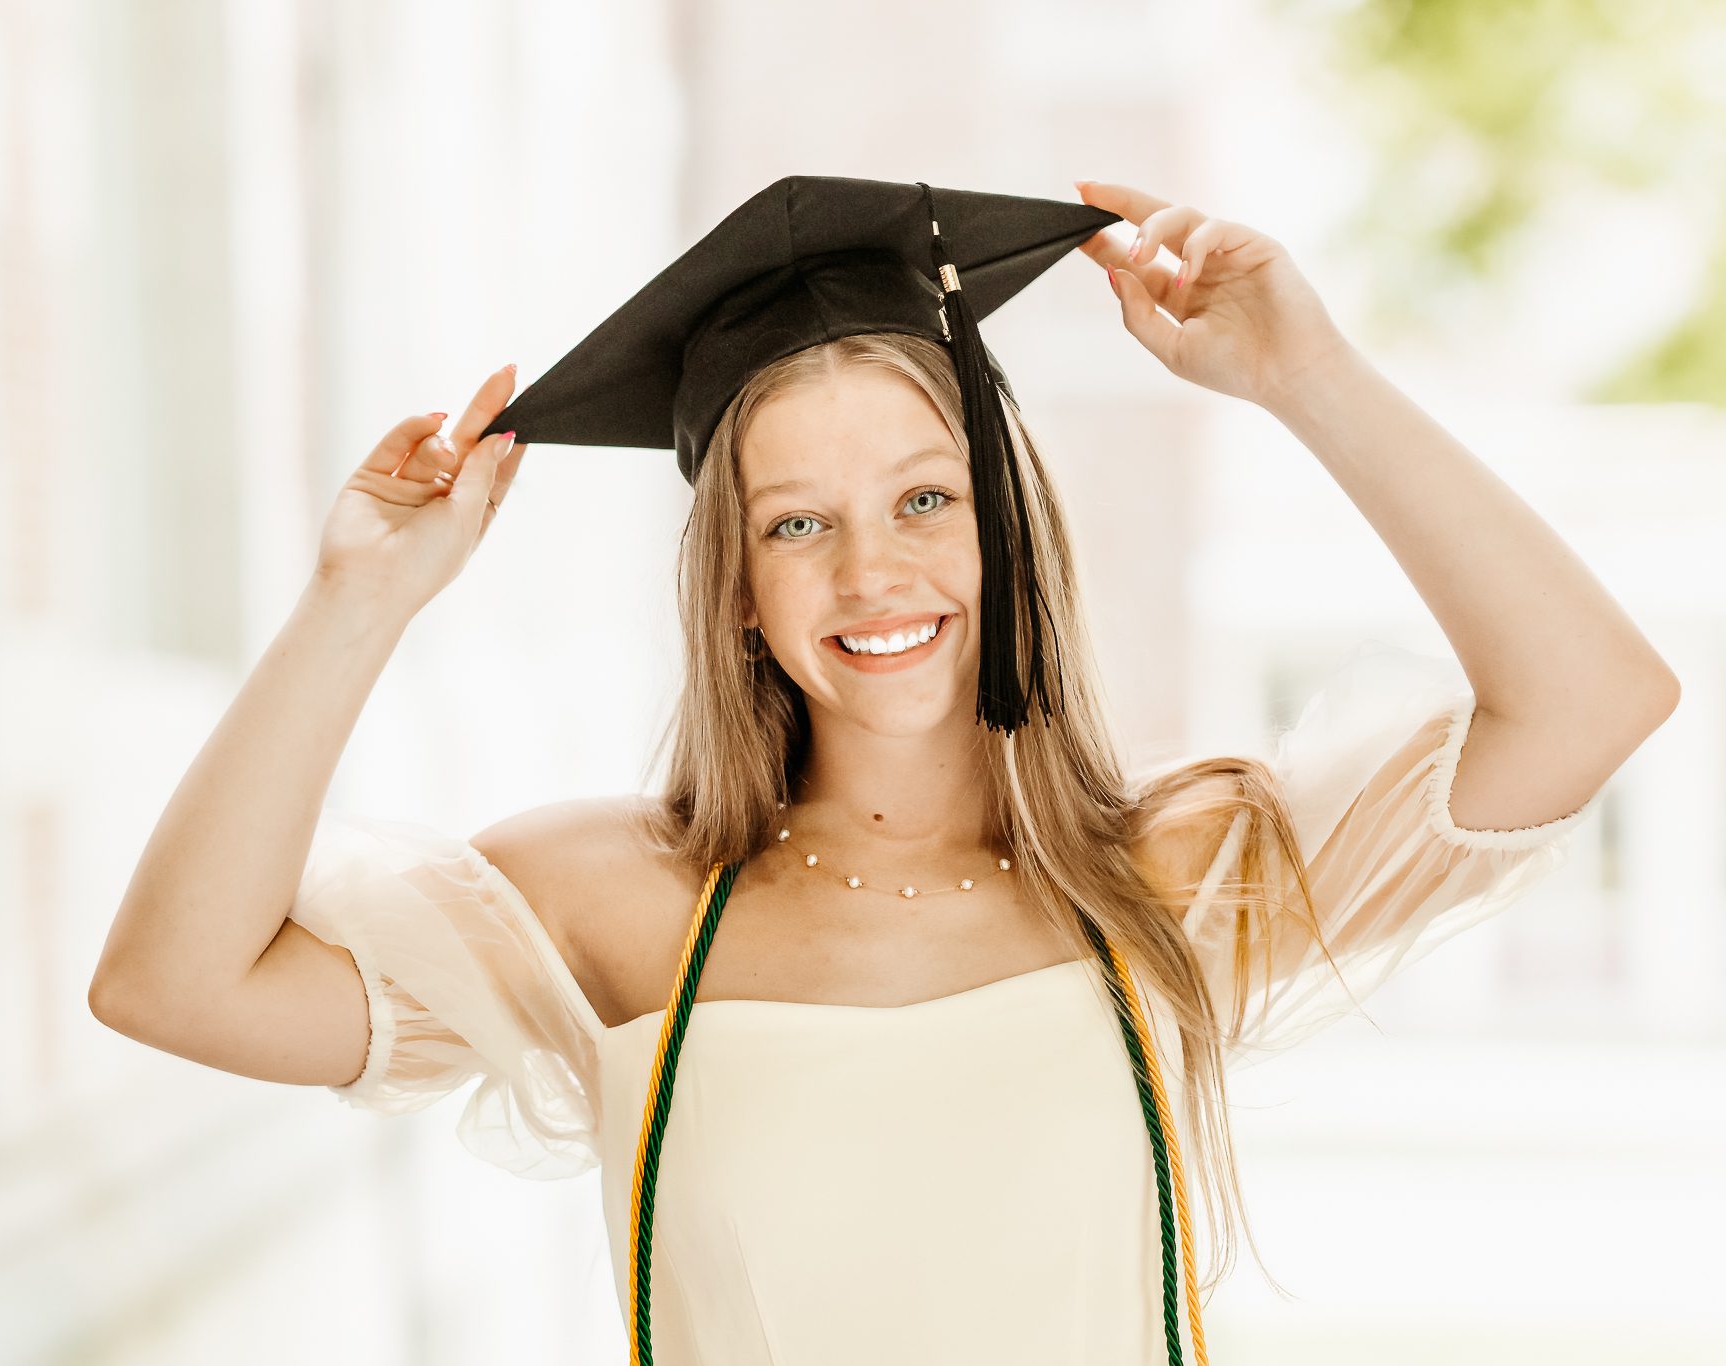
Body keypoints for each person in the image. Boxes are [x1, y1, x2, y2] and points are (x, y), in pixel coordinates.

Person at [89, 176, 1678, 1365]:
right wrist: (355, 599)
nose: (874, 571)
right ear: (735, 584)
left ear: (1000, 525)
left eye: (924, 498)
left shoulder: (1172, 879)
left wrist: (1305, 376)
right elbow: (174, 982)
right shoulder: (620, 904)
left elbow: (1593, 698)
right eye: (797, 522)